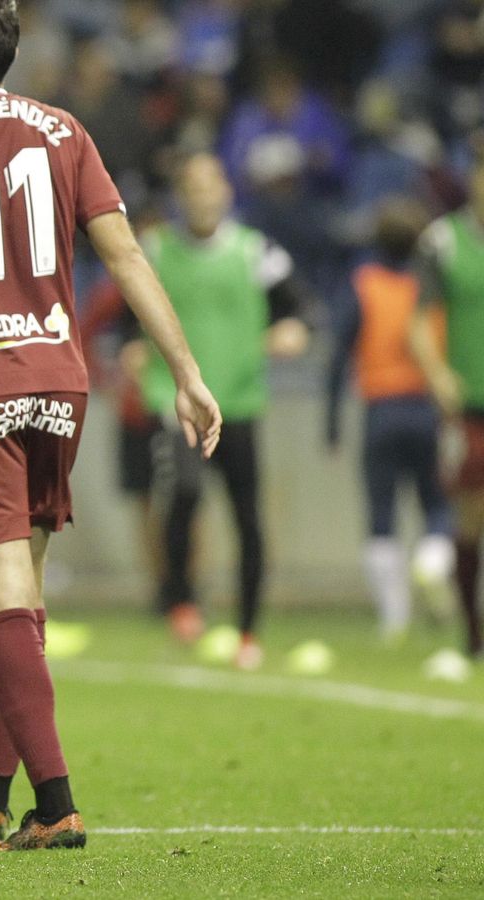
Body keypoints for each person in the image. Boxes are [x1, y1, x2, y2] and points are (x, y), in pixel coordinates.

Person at [0, 0, 221, 851]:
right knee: (21, 589)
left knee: (1, 591)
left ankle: (55, 804)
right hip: (58, 380)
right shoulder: (64, 130)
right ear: (11, 54)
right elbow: (126, 252)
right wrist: (187, 371)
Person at [136, 152, 311, 668]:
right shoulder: (155, 250)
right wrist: (128, 345)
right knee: (183, 493)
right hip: (176, 401)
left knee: (246, 516)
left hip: (238, 399)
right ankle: (182, 599)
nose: (202, 198)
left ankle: (249, 631)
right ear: (180, 196)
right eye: (192, 189)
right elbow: (123, 308)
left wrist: (292, 330)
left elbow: (298, 308)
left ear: (227, 193)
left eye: (210, 188)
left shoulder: (255, 253)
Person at [326, 198, 454, 643]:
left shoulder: (363, 284)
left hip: (380, 411)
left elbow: (338, 357)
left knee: (381, 513)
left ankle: (393, 616)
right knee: (437, 503)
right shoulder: (433, 288)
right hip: (426, 408)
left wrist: (331, 424)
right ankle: (434, 560)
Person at [411, 155, 484, 663]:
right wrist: (438, 374)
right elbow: (418, 322)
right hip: (470, 404)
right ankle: (472, 633)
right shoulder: (443, 241)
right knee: (471, 515)